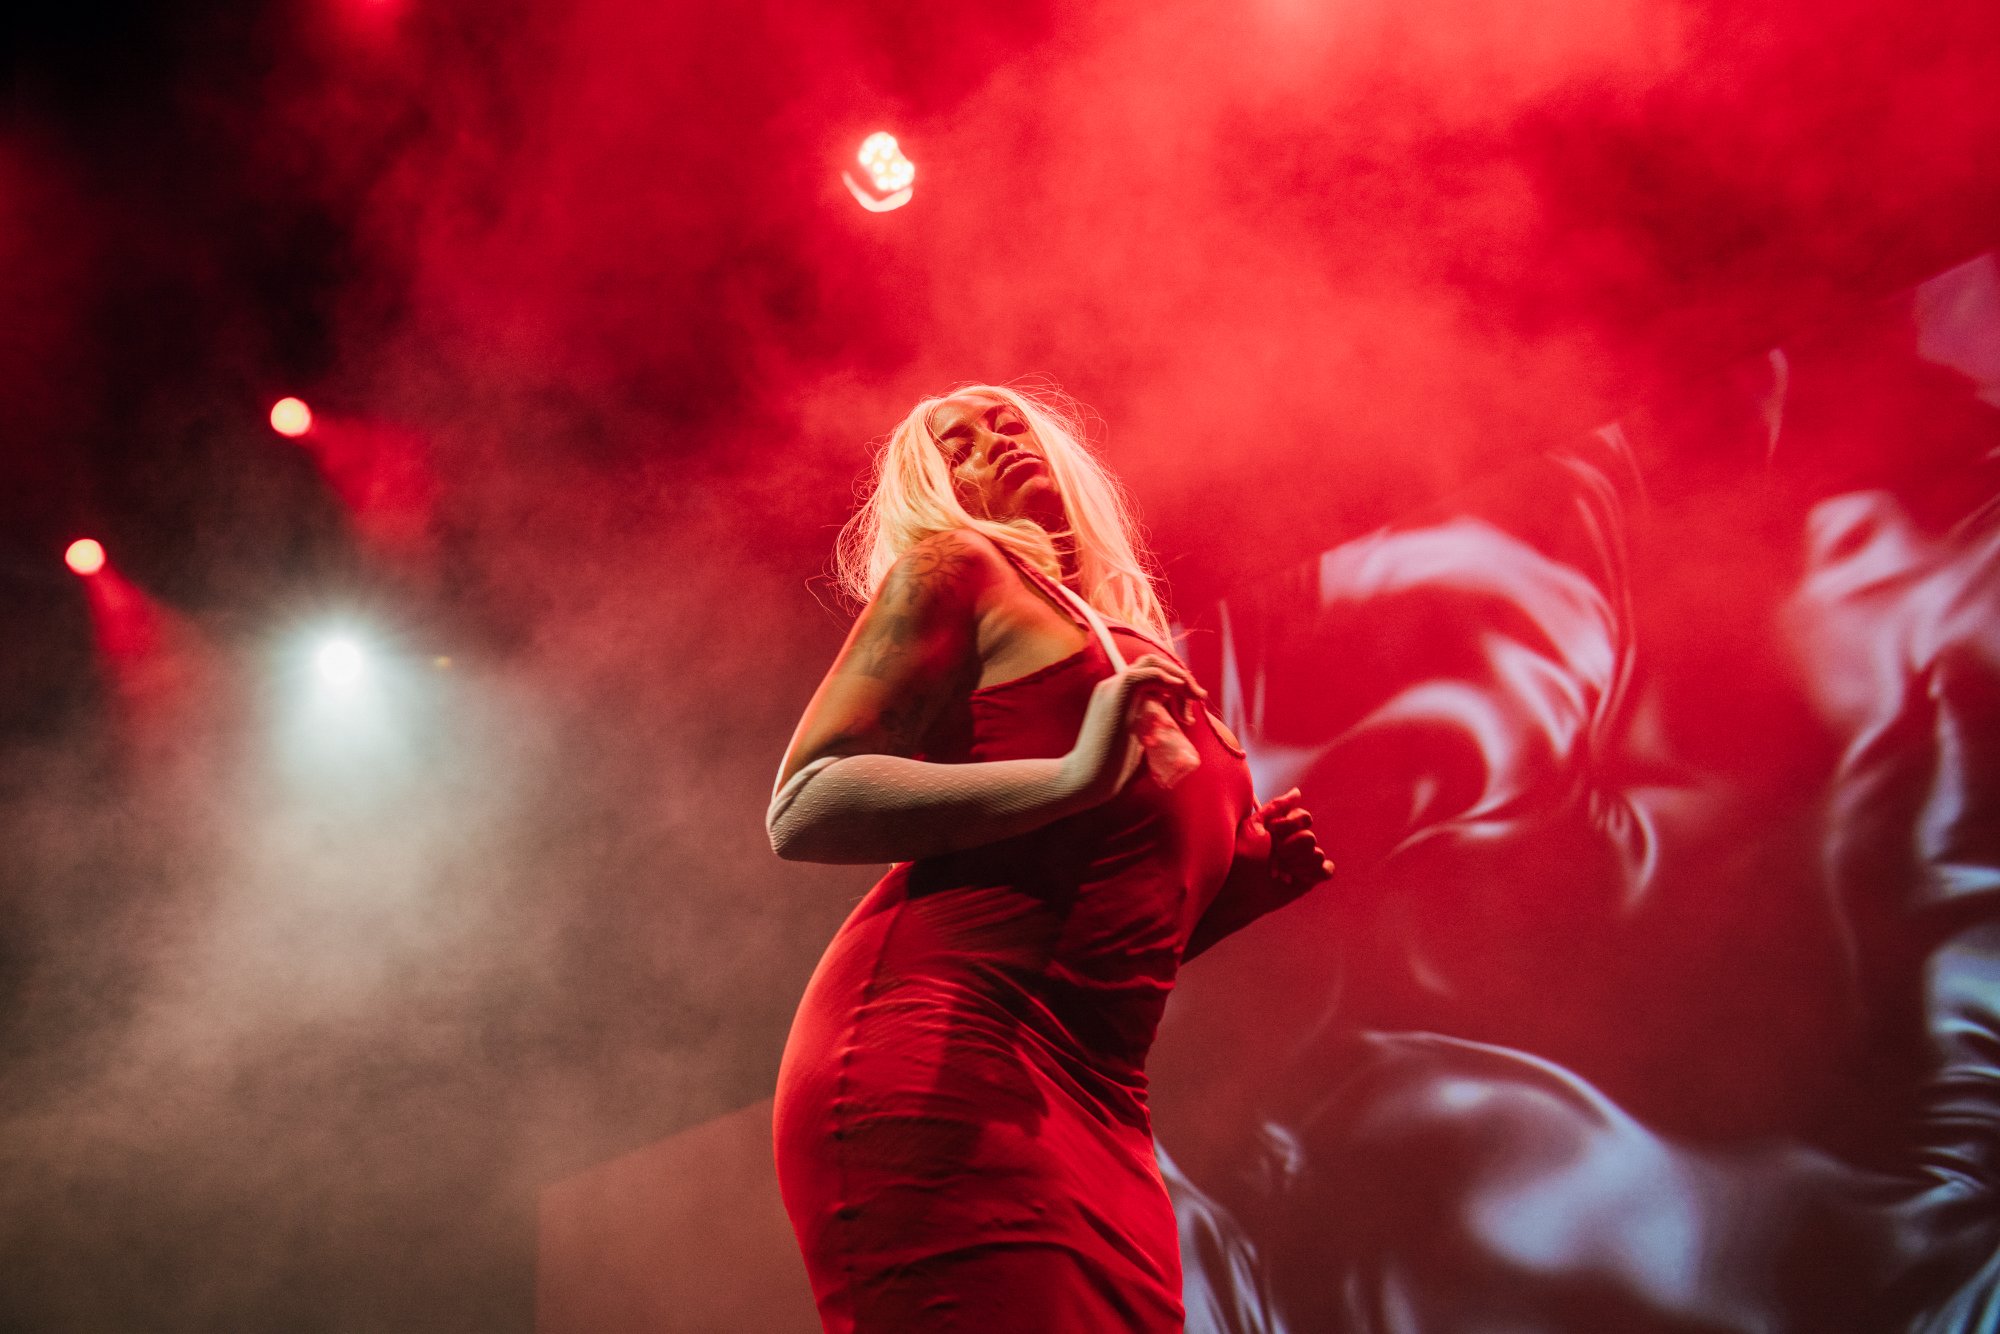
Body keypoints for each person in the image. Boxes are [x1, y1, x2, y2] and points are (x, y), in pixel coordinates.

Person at [767, 383, 1335, 1332]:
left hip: (1100, 1108)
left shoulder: (1131, 642)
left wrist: (1235, 899)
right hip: (944, 1052)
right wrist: (1073, 774)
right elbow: (804, 803)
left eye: (1009, 425)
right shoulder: (960, 568)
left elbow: (1085, 917)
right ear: (936, 494)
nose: (995, 442)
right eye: (960, 448)